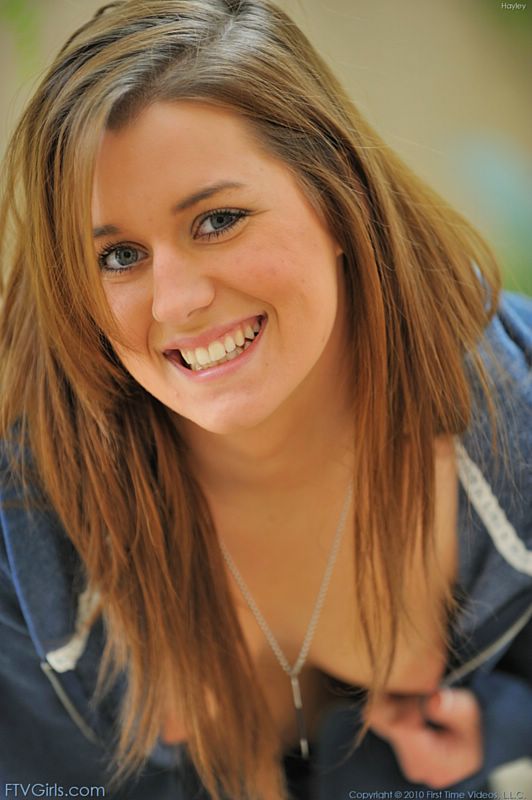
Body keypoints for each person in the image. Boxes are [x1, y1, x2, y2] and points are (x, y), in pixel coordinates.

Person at [0, 1, 530, 798]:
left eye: (218, 220)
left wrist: (498, 723)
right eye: (118, 256)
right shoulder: (29, 525)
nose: (175, 301)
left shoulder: (512, 421)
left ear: (339, 198)